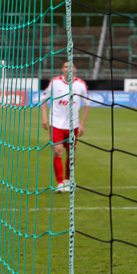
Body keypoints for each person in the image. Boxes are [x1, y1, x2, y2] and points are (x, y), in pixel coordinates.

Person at [39, 61, 89, 193]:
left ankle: (68, 180)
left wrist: (82, 124)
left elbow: (86, 104)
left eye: (71, 67)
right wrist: (44, 117)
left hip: (73, 125)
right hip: (55, 123)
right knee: (57, 152)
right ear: (62, 69)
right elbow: (44, 99)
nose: (69, 69)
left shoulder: (81, 85)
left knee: (70, 154)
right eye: (66, 67)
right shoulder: (54, 82)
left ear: (75, 69)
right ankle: (60, 183)